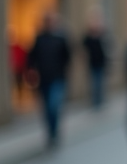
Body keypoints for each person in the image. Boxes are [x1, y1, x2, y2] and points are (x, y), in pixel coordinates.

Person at [26, 12, 72, 148]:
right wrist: (31, 71)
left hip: (58, 78)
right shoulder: (39, 38)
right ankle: (51, 133)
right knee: (46, 108)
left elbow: (68, 56)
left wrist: (64, 71)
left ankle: (55, 132)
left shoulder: (61, 38)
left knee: (54, 105)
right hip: (44, 79)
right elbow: (32, 56)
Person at [82, 11, 110, 109]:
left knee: (100, 81)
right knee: (94, 82)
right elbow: (83, 50)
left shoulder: (103, 35)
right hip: (92, 63)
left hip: (101, 63)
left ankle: (99, 99)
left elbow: (108, 48)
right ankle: (95, 100)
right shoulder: (88, 37)